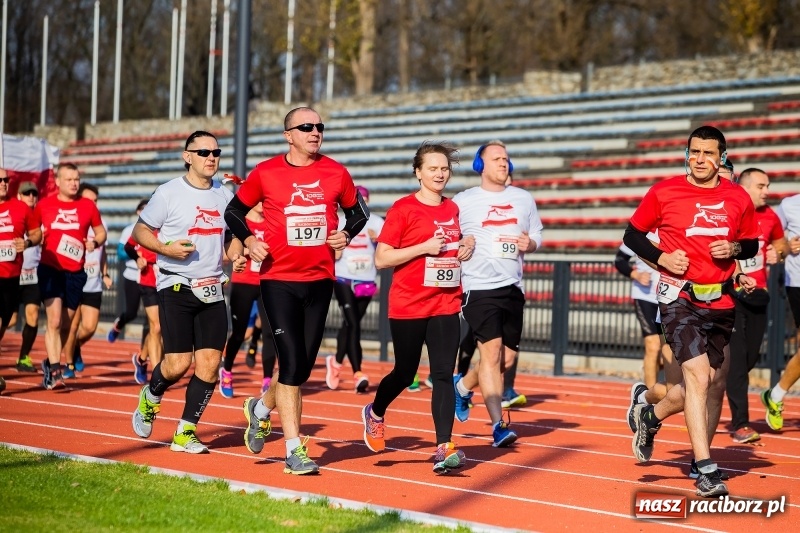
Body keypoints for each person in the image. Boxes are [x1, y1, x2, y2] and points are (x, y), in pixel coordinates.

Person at [225, 107, 369, 475]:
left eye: (320, 126)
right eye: (306, 127)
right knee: (288, 364)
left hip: (320, 281)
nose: (315, 131)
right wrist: (248, 240)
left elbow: (359, 214)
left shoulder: (336, 171)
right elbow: (233, 212)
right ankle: (294, 450)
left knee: (300, 369)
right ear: (289, 135)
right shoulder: (266, 172)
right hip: (278, 281)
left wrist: (346, 234)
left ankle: (259, 409)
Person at [624, 125, 760, 498]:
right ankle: (705, 469)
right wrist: (661, 256)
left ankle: (650, 415)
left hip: (720, 300)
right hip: (677, 297)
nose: (700, 159)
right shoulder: (664, 190)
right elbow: (632, 235)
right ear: (688, 153)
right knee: (698, 376)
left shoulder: (737, 197)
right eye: (694, 152)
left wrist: (733, 249)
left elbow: (750, 244)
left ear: (722, 158)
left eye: (708, 153)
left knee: (714, 383)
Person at [360, 141, 475, 473]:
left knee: (442, 374)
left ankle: (444, 446)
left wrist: (467, 243)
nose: (440, 174)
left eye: (444, 169)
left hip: (445, 302)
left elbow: (454, 243)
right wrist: (423, 247)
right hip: (409, 303)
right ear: (418, 172)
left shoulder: (452, 209)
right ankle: (375, 411)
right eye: (433, 168)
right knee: (405, 372)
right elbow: (382, 258)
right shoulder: (403, 209)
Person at [131, 130, 245, 454]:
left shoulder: (224, 194)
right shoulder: (168, 193)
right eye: (204, 152)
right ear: (187, 156)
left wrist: (235, 254)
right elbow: (141, 230)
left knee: (210, 364)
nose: (212, 157)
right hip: (175, 284)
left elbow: (231, 239)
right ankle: (151, 394)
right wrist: (165, 247)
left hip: (212, 288)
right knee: (178, 364)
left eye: (216, 152)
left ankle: (185, 432)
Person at [451, 141, 542, 447]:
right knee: (490, 355)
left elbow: (538, 235)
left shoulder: (523, 198)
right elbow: (448, 237)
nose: (504, 163)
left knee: (507, 357)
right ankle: (498, 426)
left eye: (506, 158)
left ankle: (462, 387)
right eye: (497, 159)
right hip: (478, 287)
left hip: (513, 287)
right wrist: (462, 243)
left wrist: (530, 244)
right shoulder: (463, 201)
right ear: (481, 165)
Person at [724, 169, 786, 444]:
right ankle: (741, 424)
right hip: (732, 294)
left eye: (768, 186)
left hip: (758, 295)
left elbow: (781, 243)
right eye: (761, 186)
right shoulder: (730, 211)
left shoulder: (771, 216)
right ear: (745, 187)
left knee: (748, 360)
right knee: (737, 362)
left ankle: (715, 386)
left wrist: (779, 251)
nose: (767, 191)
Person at [32, 163, 106, 389]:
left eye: (76, 179)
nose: (74, 183)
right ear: (58, 181)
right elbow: (34, 231)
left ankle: (49, 361)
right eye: (69, 179)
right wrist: (35, 238)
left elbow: (101, 231)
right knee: (54, 321)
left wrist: (94, 241)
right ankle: (55, 370)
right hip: (51, 268)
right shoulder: (44, 205)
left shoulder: (87, 206)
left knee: (66, 325)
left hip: (76, 273)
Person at [326, 185, 385, 393]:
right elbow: (329, 249)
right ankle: (358, 372)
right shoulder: (341, 221)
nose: (363, 203)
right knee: (353, 324)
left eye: (365, 200)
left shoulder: (377, 223)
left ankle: (336, 362)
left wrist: (378, 242)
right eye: (359, 199)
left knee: (350, 325)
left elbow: (387, 249)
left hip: (366, 281)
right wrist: (335, 252)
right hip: (343, 278)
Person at [220, 201, 277, 398]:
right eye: (258, 199)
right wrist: (247, 251)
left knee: (270, 333)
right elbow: (228, 251)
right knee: (239, 332)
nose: (262, 203)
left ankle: (267, 379)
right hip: (243, 283)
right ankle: (226, 370)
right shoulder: (241, 222)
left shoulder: (271, 222)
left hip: (266, 284)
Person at [63, 183, 112, 378]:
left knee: (90, 327)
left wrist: (105, 273)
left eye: (96, 201)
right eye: (90, 200)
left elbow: (103, 252)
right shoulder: (72, 221)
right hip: (74, 279)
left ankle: (74, 347)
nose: (94, 204)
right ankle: (68, 365)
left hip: (93, 283)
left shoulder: (102, 224)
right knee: (72, 326)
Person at [761, 186, 800, 431]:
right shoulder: (788, 205)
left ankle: (774, 395)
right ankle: (775, 396)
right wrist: (787, 246)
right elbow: (771, 240)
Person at [0, 171, 42, 363]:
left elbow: (36, 234)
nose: (3, 183)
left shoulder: (21, 209)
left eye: (5, 180)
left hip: (15, 277)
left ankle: (23, 357)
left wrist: (26, 243)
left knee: (7, 321)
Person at [614, 234, 662, 388]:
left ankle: (654, 377)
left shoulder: (674, 228)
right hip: (645, 296)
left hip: (668, 298)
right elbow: (620, 260)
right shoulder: (640, 233)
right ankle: (649, 397)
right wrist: (636, 274)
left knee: (665, 352)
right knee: (652, 345)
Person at [125, 219, 163, 385]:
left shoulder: (177, 223)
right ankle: (157, 375)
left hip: (169, 281)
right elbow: (128, 246)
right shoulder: (147, 224)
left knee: (162, 328)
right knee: (156, 326)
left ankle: (141, 359)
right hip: (148, 280)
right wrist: (137, 258)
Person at [108, 200, 150, 343]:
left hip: (150, 275)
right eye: (143, 208)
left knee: (151, 318)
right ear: (138, 211)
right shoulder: (129, 230)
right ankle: (119, 324)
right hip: (132, 274)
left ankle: (143, 352)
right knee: (132, 312)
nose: (146, 211)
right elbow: (120, 253)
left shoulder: (156, 230)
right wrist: (137, 254)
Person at [13, 181, 43, 373]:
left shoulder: (42, 219)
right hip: (12, 276)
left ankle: (23, 357)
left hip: (33, 276)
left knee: (32, 316)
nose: (31, 197)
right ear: (19, 196)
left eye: (33, 193)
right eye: (26, 194)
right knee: (8, 320)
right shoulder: (12, 215)